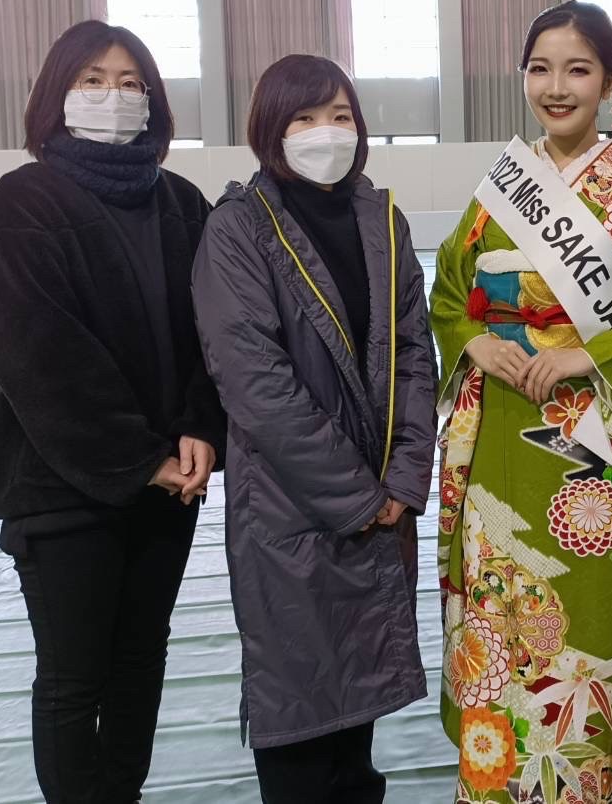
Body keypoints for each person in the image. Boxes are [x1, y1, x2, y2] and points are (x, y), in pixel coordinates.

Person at [430, 1, 612, 804]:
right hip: (500, 440)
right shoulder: (498, 194)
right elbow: (449, 289)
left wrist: (586, 353)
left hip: (594, 444)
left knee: (588, 624)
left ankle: (586, 782)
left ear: (611, 82)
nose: (556, 88)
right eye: (540, 69)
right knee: (501, 615)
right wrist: (473, 341)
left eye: (577, 70)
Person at [0, 20, 226, 804]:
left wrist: (199, 427)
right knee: (73, 676)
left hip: (169, 483)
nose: (113, 96)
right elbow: (39, 352)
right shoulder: (26, 199)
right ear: (57, 94)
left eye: (129, 83)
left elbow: (214, 332)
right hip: (61, 485)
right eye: (93, 80)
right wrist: (139, 459)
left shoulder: (181, 203)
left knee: (141, 659)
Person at [190, 54, 436, 804]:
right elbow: (256, 385)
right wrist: (359, 497)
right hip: (290, 512)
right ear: (270, 129)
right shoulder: (238, 229)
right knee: (300, 721)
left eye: (339, 116)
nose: (324, 132)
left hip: (378, 506)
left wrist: (403, 481)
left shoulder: (381, 221)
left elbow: (413, 354)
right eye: (303, 118)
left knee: (357, 728)